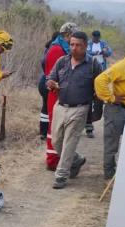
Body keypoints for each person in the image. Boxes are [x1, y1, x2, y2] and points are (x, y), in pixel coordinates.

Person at [46, 31, 101, 189]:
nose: (74, 48)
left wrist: (96, 111)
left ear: (85, 46)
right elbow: (50, 78)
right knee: (56, 141)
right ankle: (76, 160)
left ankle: (61, 176)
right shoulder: (62, 61)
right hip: (60, 106)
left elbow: (100, 87)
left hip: (80, 109)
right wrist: (50, 83)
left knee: (70, 142)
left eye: (78, 45)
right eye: (72, 44)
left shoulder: (93, 65)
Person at [94, 41, 125, 180]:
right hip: (116, 110)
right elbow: (100, 80)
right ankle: (109, 174)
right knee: (112, 144)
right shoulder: (121, 67)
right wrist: (110, 97)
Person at [44, 22, 79, 171]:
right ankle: (52, 160)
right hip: (56, 93)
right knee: (55, 126)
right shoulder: (56, 50)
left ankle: (58, 157)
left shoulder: (62, 49)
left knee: (60, 127)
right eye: (73, 36)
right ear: (67, 35)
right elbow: (53, 76)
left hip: (62, 93)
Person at [84, 30, 113, 138]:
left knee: (97, 97)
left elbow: (109, 52)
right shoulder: (89, 44)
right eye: (94, 37)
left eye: (97, 37)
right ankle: (88, 126)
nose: (96, 39)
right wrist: (95, 53)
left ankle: (93, 120)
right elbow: (86, 53)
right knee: (88, 98)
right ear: (92, 37)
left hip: (101, 72)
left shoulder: (103, 44)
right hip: (90, 70)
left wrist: (104, 52)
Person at [38, 31, 61, 141]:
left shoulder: (48, 48)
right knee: (51, 108)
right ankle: (49, 132)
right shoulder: (56, 49)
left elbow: (43, 63)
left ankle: (43, 132)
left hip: (43, 81)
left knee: (45, 107)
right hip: (49, 82)